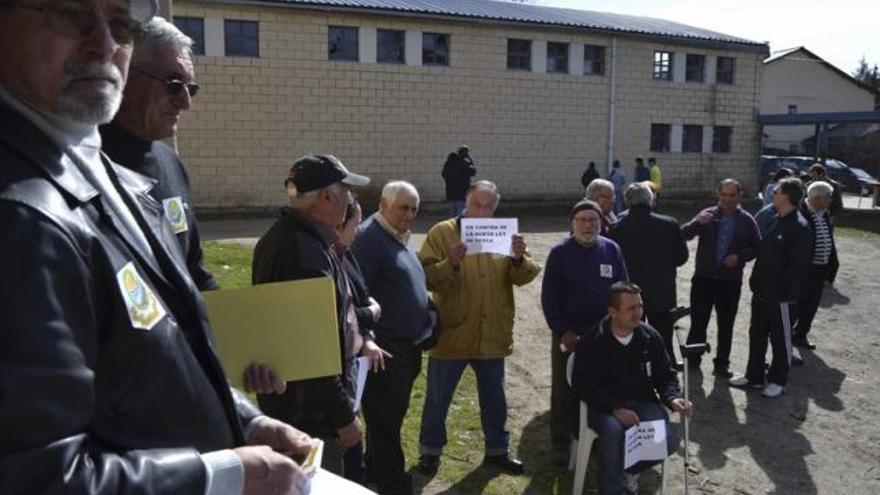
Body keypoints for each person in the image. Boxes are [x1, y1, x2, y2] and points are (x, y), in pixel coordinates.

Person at [0, 2, 311, 493]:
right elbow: (37, 477)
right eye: (70, 12)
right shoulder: (21, 216)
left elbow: (158, 340)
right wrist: (226, 475)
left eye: (121, 23)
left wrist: (242, 418)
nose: (104, 43)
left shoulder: (103, 166)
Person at [252, 154, 373, 475]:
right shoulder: (304, 254)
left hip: (296, 407)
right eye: (347, 191)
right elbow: (312, 351)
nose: (352, 199)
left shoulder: (289, 238)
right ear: (327, 196)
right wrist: (343, 417)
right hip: (311, 418)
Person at [416, 180, 540, 475]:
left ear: (495, 207)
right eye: (477, 204)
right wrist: (451, 262)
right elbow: (425, 277)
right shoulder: (442, 232)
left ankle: (497, 450)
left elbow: (526, 276)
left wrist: (519, 258)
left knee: (495, 398)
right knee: (437, 399)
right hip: (452, 332)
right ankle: (430, 452)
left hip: (492, 333)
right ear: (466, 202)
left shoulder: (504, 233)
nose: (482, 211)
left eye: (488, 206)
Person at [101, 17, 217, 290]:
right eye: (174, 84)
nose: (185, 102)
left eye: (191, 88)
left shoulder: (171, 165)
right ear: (125, 71)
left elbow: (193, 269)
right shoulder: (83, 164)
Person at [350, 181, 433, 495]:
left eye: (414, 208)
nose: (409, 214)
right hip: (384, 348)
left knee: (392, 416)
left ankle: (377, 472)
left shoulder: (396, 235)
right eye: (403, 207)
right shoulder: (370, 239)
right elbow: (358, 293)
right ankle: (391, 483)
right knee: (385, 419)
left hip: (406, 345)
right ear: (384, 205)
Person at [571, 283, 692, 495]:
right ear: (612, 312)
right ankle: (611, 489)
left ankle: (624, 469)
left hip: (641, 403)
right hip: (603, 407)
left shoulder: (650, 337)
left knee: (669, 439)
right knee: (613, 429)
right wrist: (615, 409)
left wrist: (673, 398)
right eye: (630, 308)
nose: (638, 313)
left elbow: (665, 376)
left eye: (640, 306)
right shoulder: (592, 340)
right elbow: (583, 384)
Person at [541, 199, 628, 464]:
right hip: (570, 336)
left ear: (602, 223)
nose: (588, 225)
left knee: (601, 388)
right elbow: (549, 297)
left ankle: (596, 439)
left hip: (604, 336)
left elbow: (623, 289)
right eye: (583, 220)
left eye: (594, 220)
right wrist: (563, 330)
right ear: (573, 224)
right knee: (564, 389)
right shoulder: (560, 253)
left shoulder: (612, 250)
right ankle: (561, 442)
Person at [729, 177, 812, 398]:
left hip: (781, 298)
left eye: (776, 191)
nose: (772, 193)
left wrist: (777, 290)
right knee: (756, 335)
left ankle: (777, 380)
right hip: (762, 294)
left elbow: (797, 267)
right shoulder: (775, 219)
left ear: (787, 196)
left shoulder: (800, 226)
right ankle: (754, 376)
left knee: (780, 340)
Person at [333, 201, 389, 485]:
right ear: (339, 225)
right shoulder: (327, 260)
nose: (357, 231)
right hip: (336, 370)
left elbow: (361, 296)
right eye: (354, 224)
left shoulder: (346, 256)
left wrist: (367, 337)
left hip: (356, 360)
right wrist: (373, 313)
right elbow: (346, 313)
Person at [681, 179, 761, 378]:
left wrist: (740, 257)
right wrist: (696, 222)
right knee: (699, 320)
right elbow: (683, 234)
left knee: (726, 324)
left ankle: (721, 365)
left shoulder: (747, 220)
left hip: (730, 281)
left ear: (739, 195)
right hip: (703, 278)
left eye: (731, 195)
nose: (727, 199)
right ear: (718, 195)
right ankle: (693, 359)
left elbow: (757, 247)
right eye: (723, 195)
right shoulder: (707, 215)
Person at [609, 182, 688, 368]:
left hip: (629, 294)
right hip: (662, 291)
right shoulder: (669, 224)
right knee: (662, 335)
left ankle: (633, 369)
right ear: (652, 200)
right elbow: (682, 257)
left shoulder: (617, 227)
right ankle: (665, 372)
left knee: (630, 333)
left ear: (627, 202)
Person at [793, 181, 837, 350]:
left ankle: (801, 334)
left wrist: (833, 265)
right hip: (805, 269)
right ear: (817, 198)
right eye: (828, 197)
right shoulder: (800, 212)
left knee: (811, 304)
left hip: (820, 268)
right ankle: (787, 335)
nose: (830, 200)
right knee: (798, 303)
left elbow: (829, 240)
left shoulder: (823, 213)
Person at [807, 163, 843, 286]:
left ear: (822, 174)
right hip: (813, 221)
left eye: (815, 176)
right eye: (811, 177)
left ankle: (829, 278)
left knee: (829, 250)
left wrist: (832, 218)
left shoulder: (834, 186)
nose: (812, 179)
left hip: (826, 222)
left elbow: (838, 206)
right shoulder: (809, 186)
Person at [441, 144, 476, 216]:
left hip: (451, 190)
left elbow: (444, 174)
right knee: (461, 209)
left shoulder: (449, 162)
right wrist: (470, 160)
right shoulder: (465, 162)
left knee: (453, 209)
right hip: (462, 190)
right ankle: (459, 224)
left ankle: (452, 224)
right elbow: (473, 172)